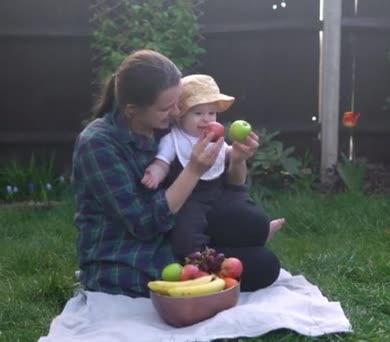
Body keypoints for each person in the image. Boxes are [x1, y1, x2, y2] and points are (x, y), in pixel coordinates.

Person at [71, 49, 281, 297]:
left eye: (177, 104)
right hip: (133, 255)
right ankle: (214, 257)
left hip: (183, 225)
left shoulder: (165, 125)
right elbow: (144, 224)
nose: (175, 114)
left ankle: (233, 245)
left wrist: (237, 160)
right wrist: (193, 170)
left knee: (254, 224)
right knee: (265, 265)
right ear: (131, 110)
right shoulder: (98, 144)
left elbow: (227, 184)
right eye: (166, 108)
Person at [140, 74, 284, 261]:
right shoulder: (173, 139)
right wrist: (154, 173)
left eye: (212, 113)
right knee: (186, 236)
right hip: (189, 200)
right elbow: (162, 162)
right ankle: (201, 261)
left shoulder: (214, 138)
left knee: (246, 210)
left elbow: (227, 154)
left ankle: (260, 233)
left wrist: (240, 153)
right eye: (198, 113)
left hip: (218, 194)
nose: (206, 119)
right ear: (181, 115)